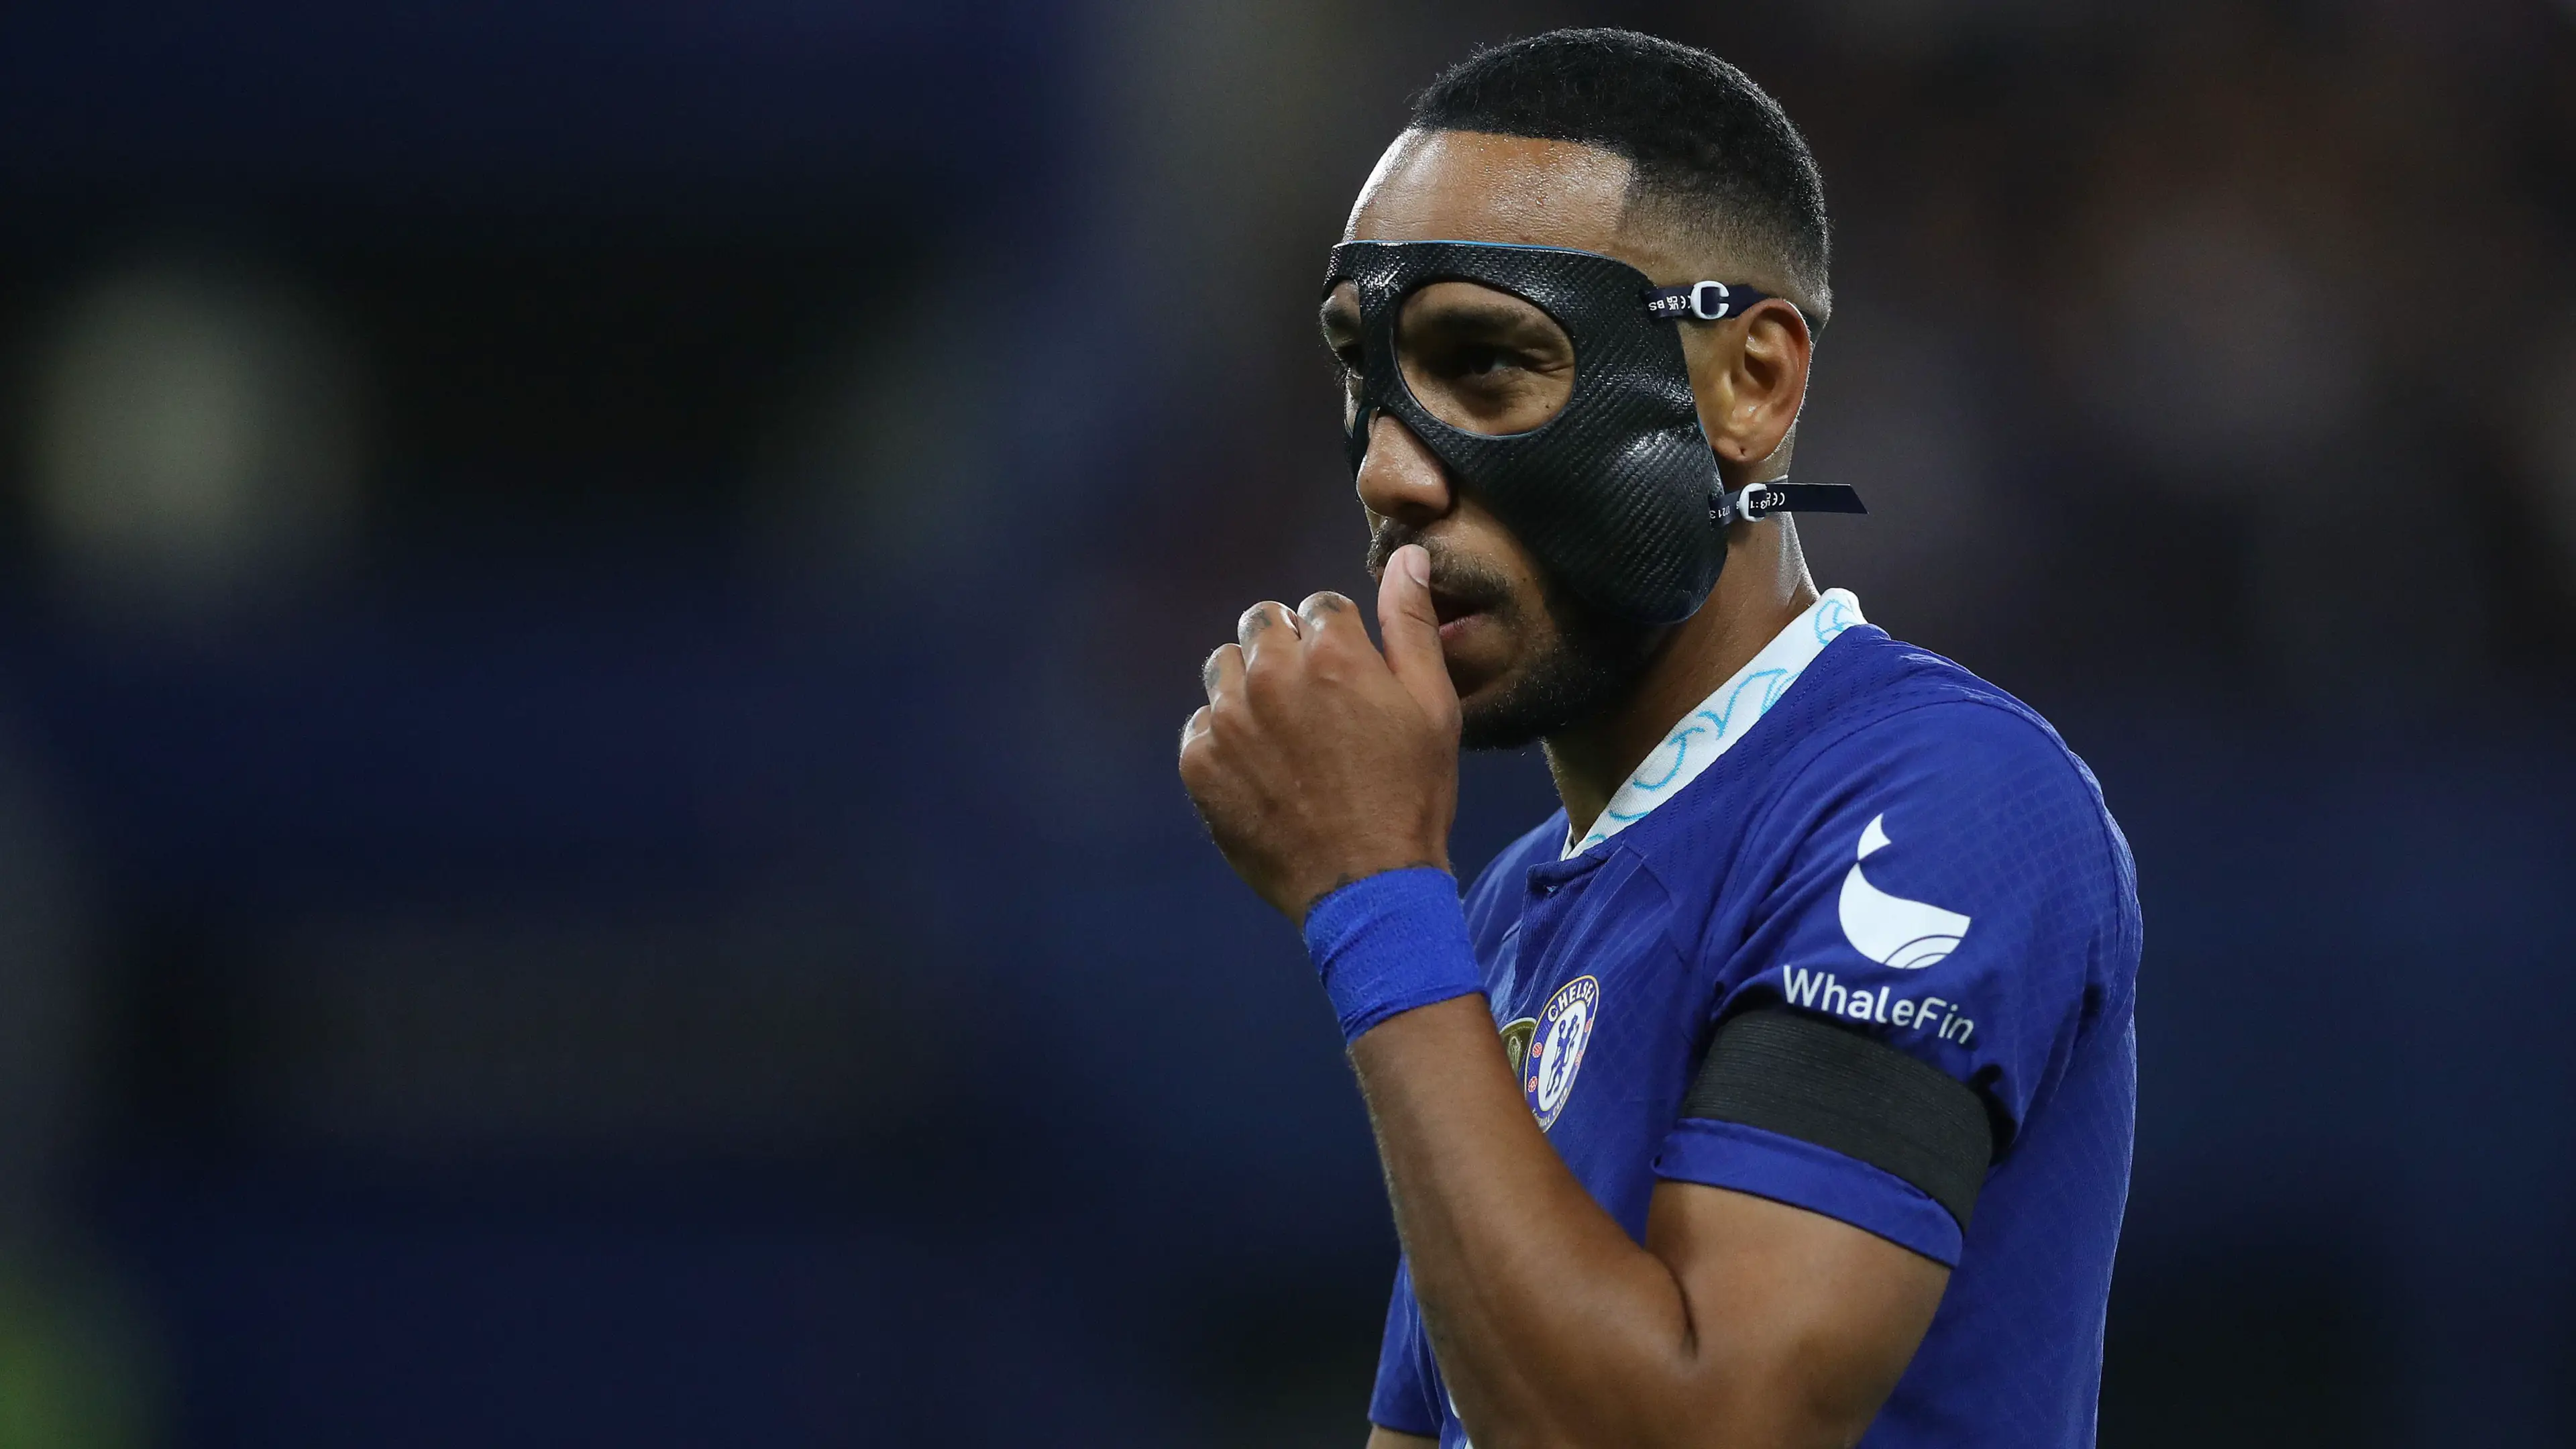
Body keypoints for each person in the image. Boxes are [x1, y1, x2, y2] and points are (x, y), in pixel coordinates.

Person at [1177, 28, 2141, 1449]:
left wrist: (1370, 887)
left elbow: (1707, 1428)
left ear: (1748, 385)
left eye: (1489, 362)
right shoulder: (1499, 918)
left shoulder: (1940, 801)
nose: (1386, 465)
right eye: (1364, 374)